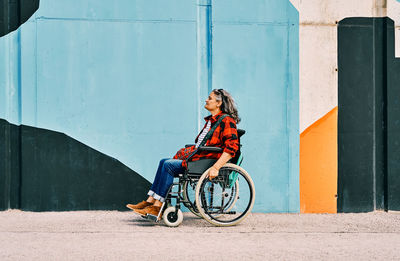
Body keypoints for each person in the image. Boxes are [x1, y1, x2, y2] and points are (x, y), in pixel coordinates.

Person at [126, 89, 240, 216]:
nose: (206, 100)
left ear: (218, 103)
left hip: (206, 162)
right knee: (164, 161)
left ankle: (158, 206)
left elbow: (232, 147)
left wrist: (216, 167)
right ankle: (150, 201)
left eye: (210, 98)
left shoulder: (226, 120)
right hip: (200, 158)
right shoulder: (212, 120)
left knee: (168, 165)